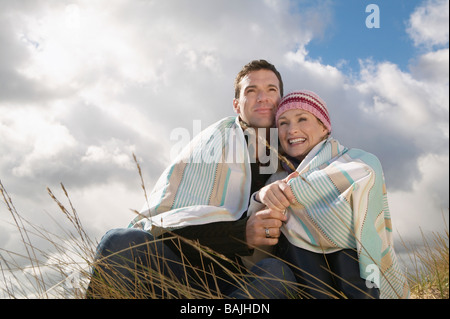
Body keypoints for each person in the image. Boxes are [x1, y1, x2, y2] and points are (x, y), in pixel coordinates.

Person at [86, 60, 297, 299]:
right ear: (237, 105)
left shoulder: (298, 156)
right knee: (121, 241)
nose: (262, 97)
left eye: (271, 89)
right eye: (251, 90)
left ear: (282, 100)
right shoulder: (208, 147)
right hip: (179, 276)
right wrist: (241, 235)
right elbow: (168, 232)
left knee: (277, 273)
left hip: (243, 286)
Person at [246, 90, 410, 299]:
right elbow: (259, 226)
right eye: (283, 123)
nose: (292, 129)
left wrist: (280, 194)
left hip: (356, 276)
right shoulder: (275, 178)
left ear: (324, 127)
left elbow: (360, 175)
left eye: (302, 119)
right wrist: (261, 196)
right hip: (305, 278)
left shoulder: (356, 161)